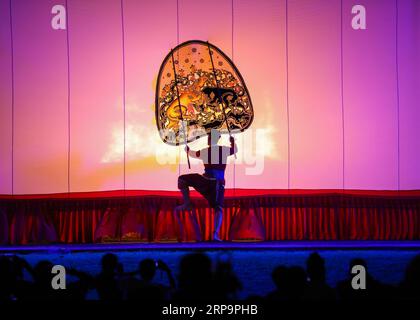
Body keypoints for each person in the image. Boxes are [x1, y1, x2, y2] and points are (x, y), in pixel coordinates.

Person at [175, 129, 237, 241]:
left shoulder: (223, 150)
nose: (209, 139)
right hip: (205, 180)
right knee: (182, 179)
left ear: (217, 139)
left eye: (211, 137)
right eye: (209, 137)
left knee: (218, 208)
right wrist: (188, 151)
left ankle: (215, 234)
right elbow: (194, 154)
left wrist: (233, 142)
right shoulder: (206, 151)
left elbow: (234, 150)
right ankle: (188, 203)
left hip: (216, 184)